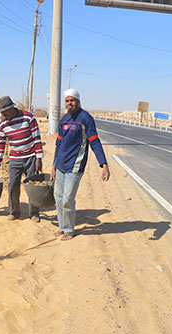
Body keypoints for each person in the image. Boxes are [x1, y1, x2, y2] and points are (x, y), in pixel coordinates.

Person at [51, 89, 110, 240]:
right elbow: (58, 144)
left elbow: (95, 141)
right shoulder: (64, 120)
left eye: (72, 100)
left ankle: (69, 229)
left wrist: (103, 165)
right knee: (57, 197)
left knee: (67, 199)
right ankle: (62, 227)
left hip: (75, 166)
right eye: (67, 101)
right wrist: (53, 166)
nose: (69, 103)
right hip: (60, 165)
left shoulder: (86, 118)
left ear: (78, 100)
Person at [0, 96, 44, 222]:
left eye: (5, 112)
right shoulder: (3, 124)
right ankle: (14, 212)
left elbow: (37, 138)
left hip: (30, 157)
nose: (3, 115)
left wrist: (39, 158)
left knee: (32, 186)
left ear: (11, 108)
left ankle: (34, 213)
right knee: (12, 186)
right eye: (1, 113)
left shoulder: (28, 117)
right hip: (15, 159)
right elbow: (0, 145)